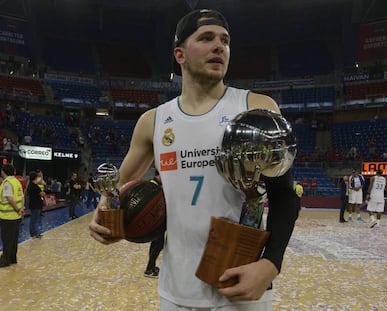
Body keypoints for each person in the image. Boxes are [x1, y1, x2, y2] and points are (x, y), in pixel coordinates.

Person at [89, 9, 299, 310]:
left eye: (225, 41)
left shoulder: (255, 107)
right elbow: (119, 186)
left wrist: (271, 263)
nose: (219, 46)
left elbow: (284, 197)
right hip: (175, 291)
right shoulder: (153, 121)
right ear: (180, 54)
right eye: (206, 38)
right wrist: (106, 219)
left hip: (239, 286)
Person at [0, 164, 25, 267]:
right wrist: (21, 209)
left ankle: (5, 260)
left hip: (8, 216)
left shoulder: (7, 183)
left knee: (7, 239)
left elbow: (10, 198)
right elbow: (22, 197)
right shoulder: (16, 182)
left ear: (3, 172)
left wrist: (17, 209)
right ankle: (12, 258)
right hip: (16, 216)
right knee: (14, 239)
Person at [26, 171, 46, 238]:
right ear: (35, 178)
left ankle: (34, 233)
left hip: (32, 204)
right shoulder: (35, 186)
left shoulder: (29, 185)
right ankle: (35, 233)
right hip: (36, 205)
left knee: (33, 219)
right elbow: (42, 194)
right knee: (35, 220)